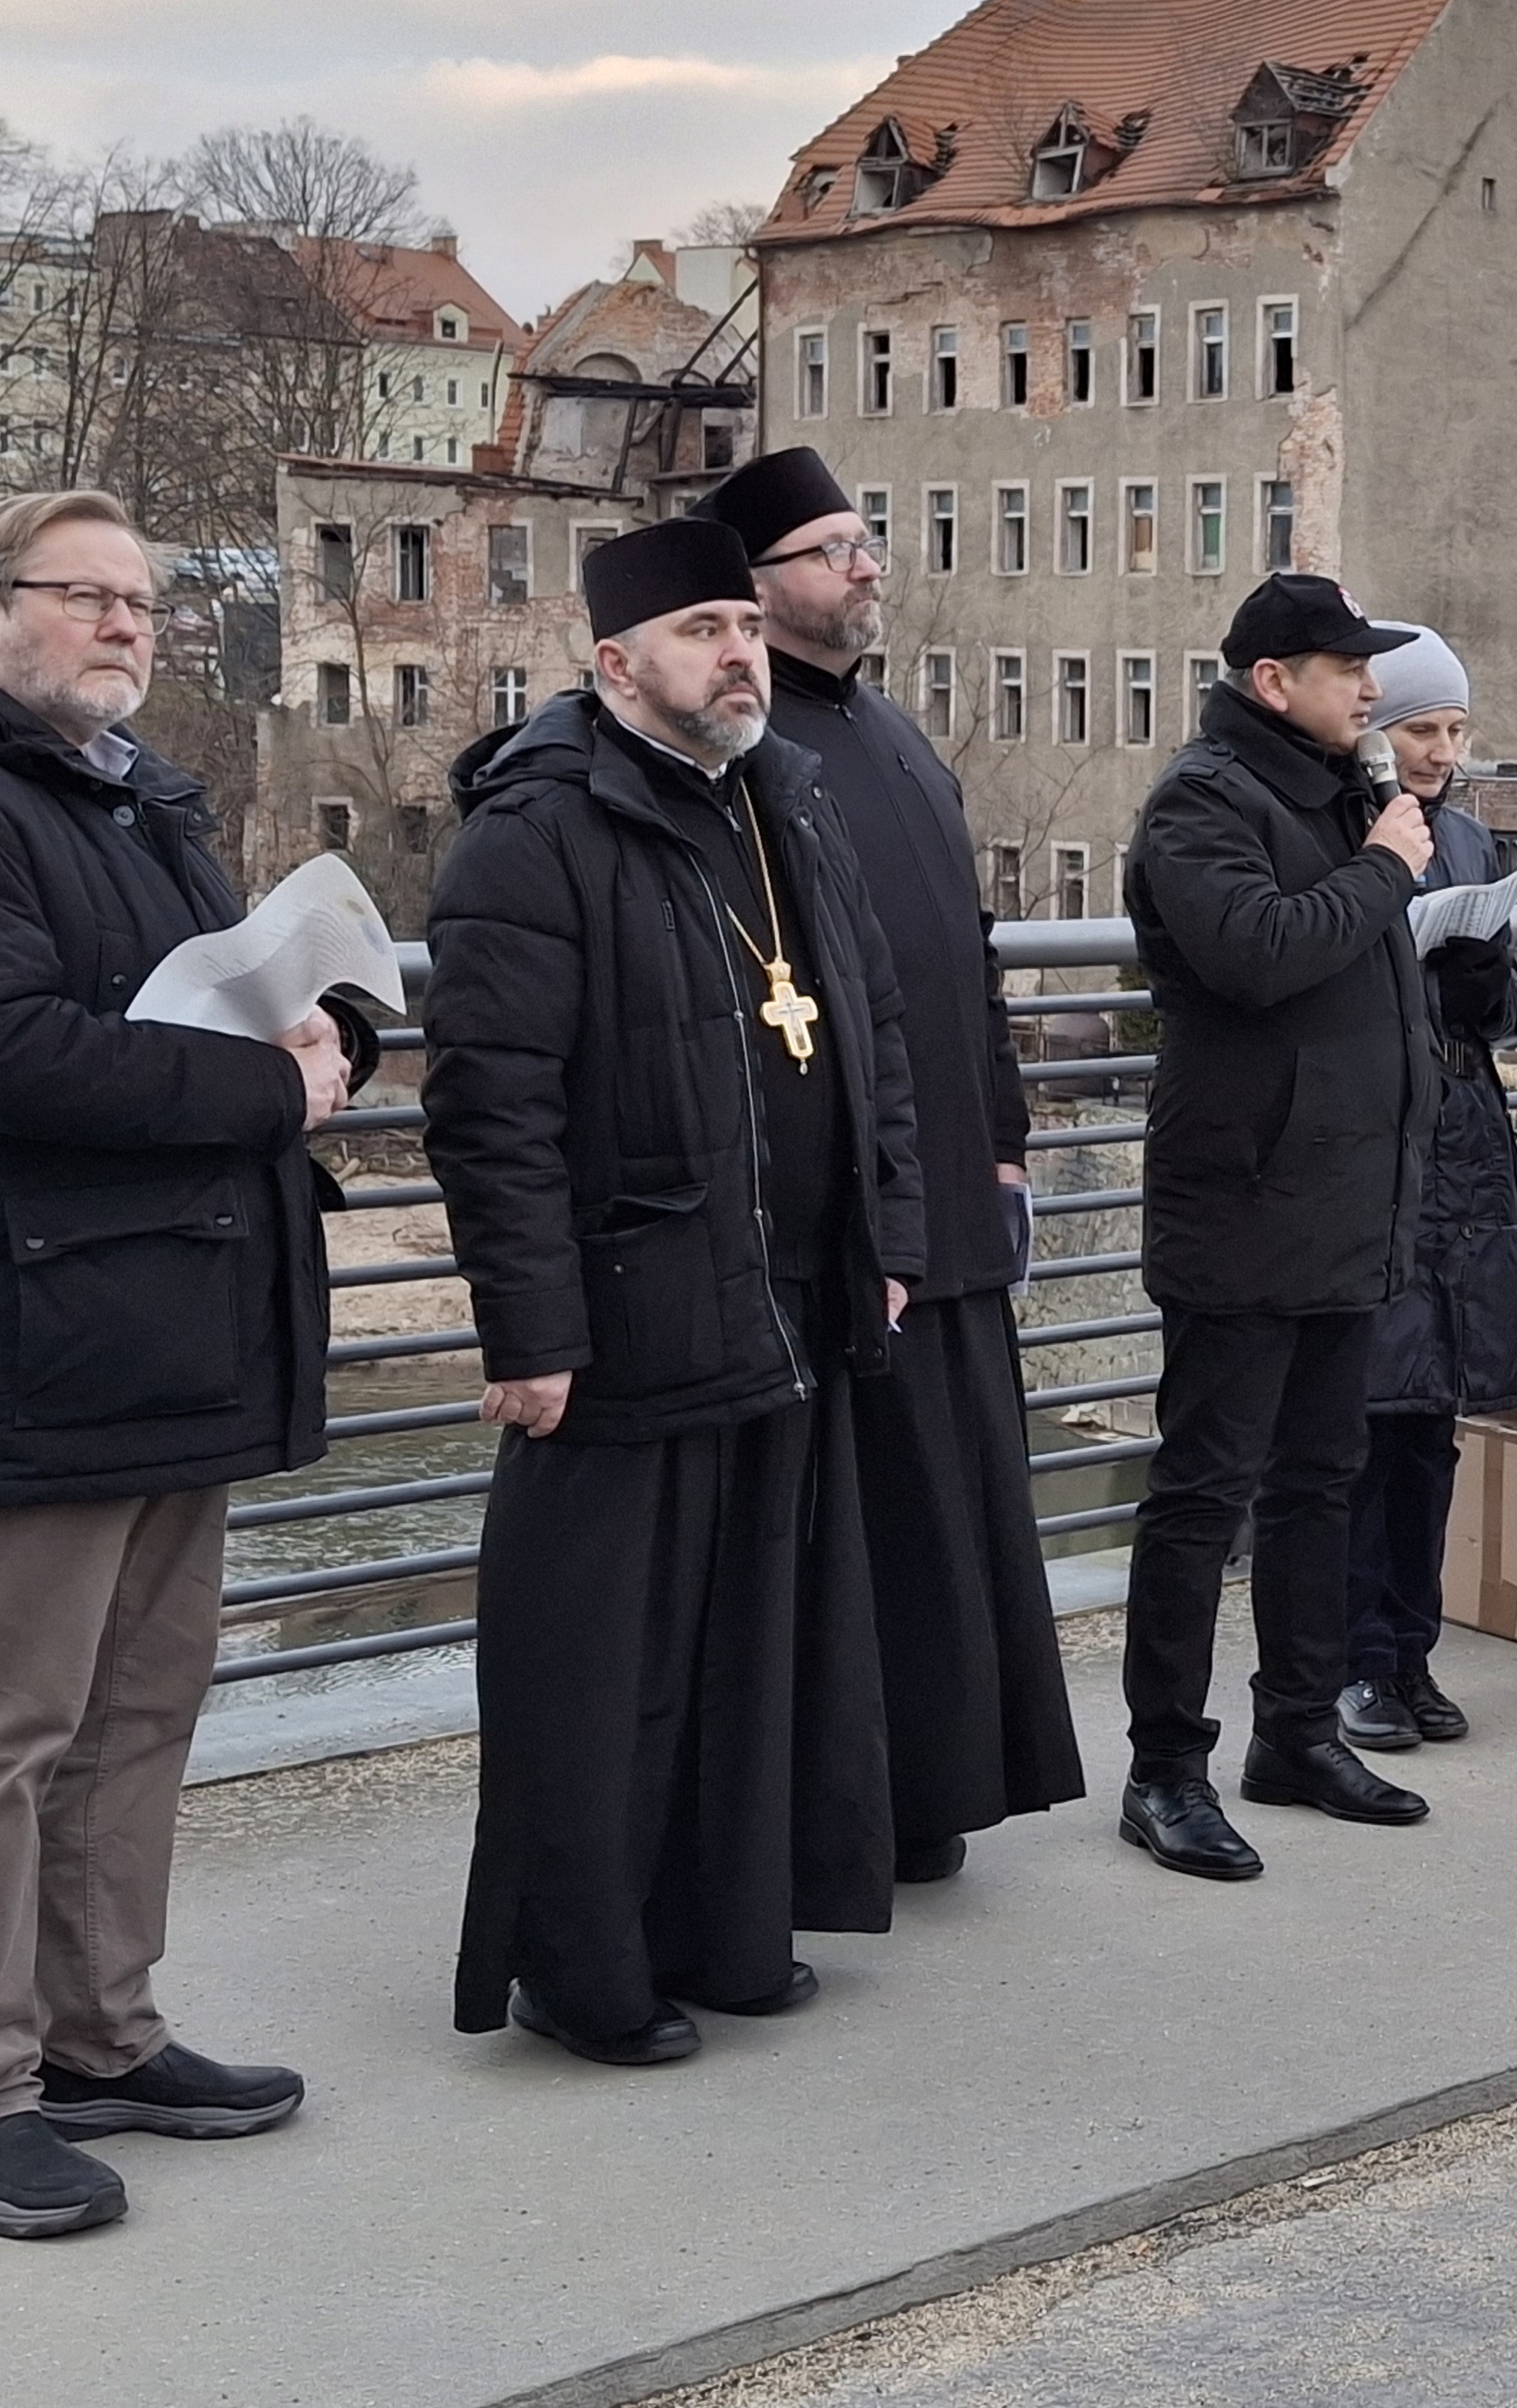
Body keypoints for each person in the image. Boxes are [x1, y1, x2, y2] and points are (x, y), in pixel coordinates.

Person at [0, 491, 355, 2239]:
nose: (133, 625)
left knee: (139, 1712)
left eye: (145, 603)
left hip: (170, 1320)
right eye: (91, 599)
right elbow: (4, 1060)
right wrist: (265, 1087)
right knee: (3, 1730)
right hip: (23, 1332)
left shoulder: (143, 804)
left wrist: (334, 1021)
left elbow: (210, 1000)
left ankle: (101, 2039)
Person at [428, 518, 924, 2064]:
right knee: (603, 1670)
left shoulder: (788, 809)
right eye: (702, 628)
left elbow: (874, 1037)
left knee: (750, 1645)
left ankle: (726, 1927)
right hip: (627, 1309)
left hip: (783, 1299)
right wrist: (530, 1331)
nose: (736, 651)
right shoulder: (537, 831)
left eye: (743, 624)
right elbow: (490, 1105)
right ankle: (583, 1971)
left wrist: (887, 1240)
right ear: (615, 661)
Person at [697, 448, 1086, 1879]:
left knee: (959, 1509)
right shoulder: (750, 760)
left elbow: (966, 960)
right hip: (858, 1214)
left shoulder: (901, 739)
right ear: (749, 590)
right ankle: (858, 1808)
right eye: (828, 551)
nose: (865, 568)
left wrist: (1004, 1143)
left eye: (865, 544)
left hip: (956, 1198)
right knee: (871, 1527)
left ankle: (946, 1785)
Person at [1115, 573, 1437, 1877]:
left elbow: (1344, 972)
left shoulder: (1342, 795)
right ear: (1273, 683)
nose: (1373, 689)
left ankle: (1295, 1734)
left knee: (1320, 1484)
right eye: (1347, 667)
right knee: (1204, 1498)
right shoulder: (1202, 802)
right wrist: (1383, 875)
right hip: (1243, 1207)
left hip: (1350, 1203)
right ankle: (1162, 1771)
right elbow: (1256, 952)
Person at [1336, 626, 1517, 1755]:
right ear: (1377, 726)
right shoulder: (1353, 833)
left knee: (1437, 1417)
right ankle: (1357, 1657)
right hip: (1380, 1146)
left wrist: (1480, 977)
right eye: (1421, 728)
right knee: (1372, 1413)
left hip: (1461, 1143)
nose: (1440, 751)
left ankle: (1411, 1651)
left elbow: (1508, 1012)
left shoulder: (1465, 835)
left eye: (1456, 731)